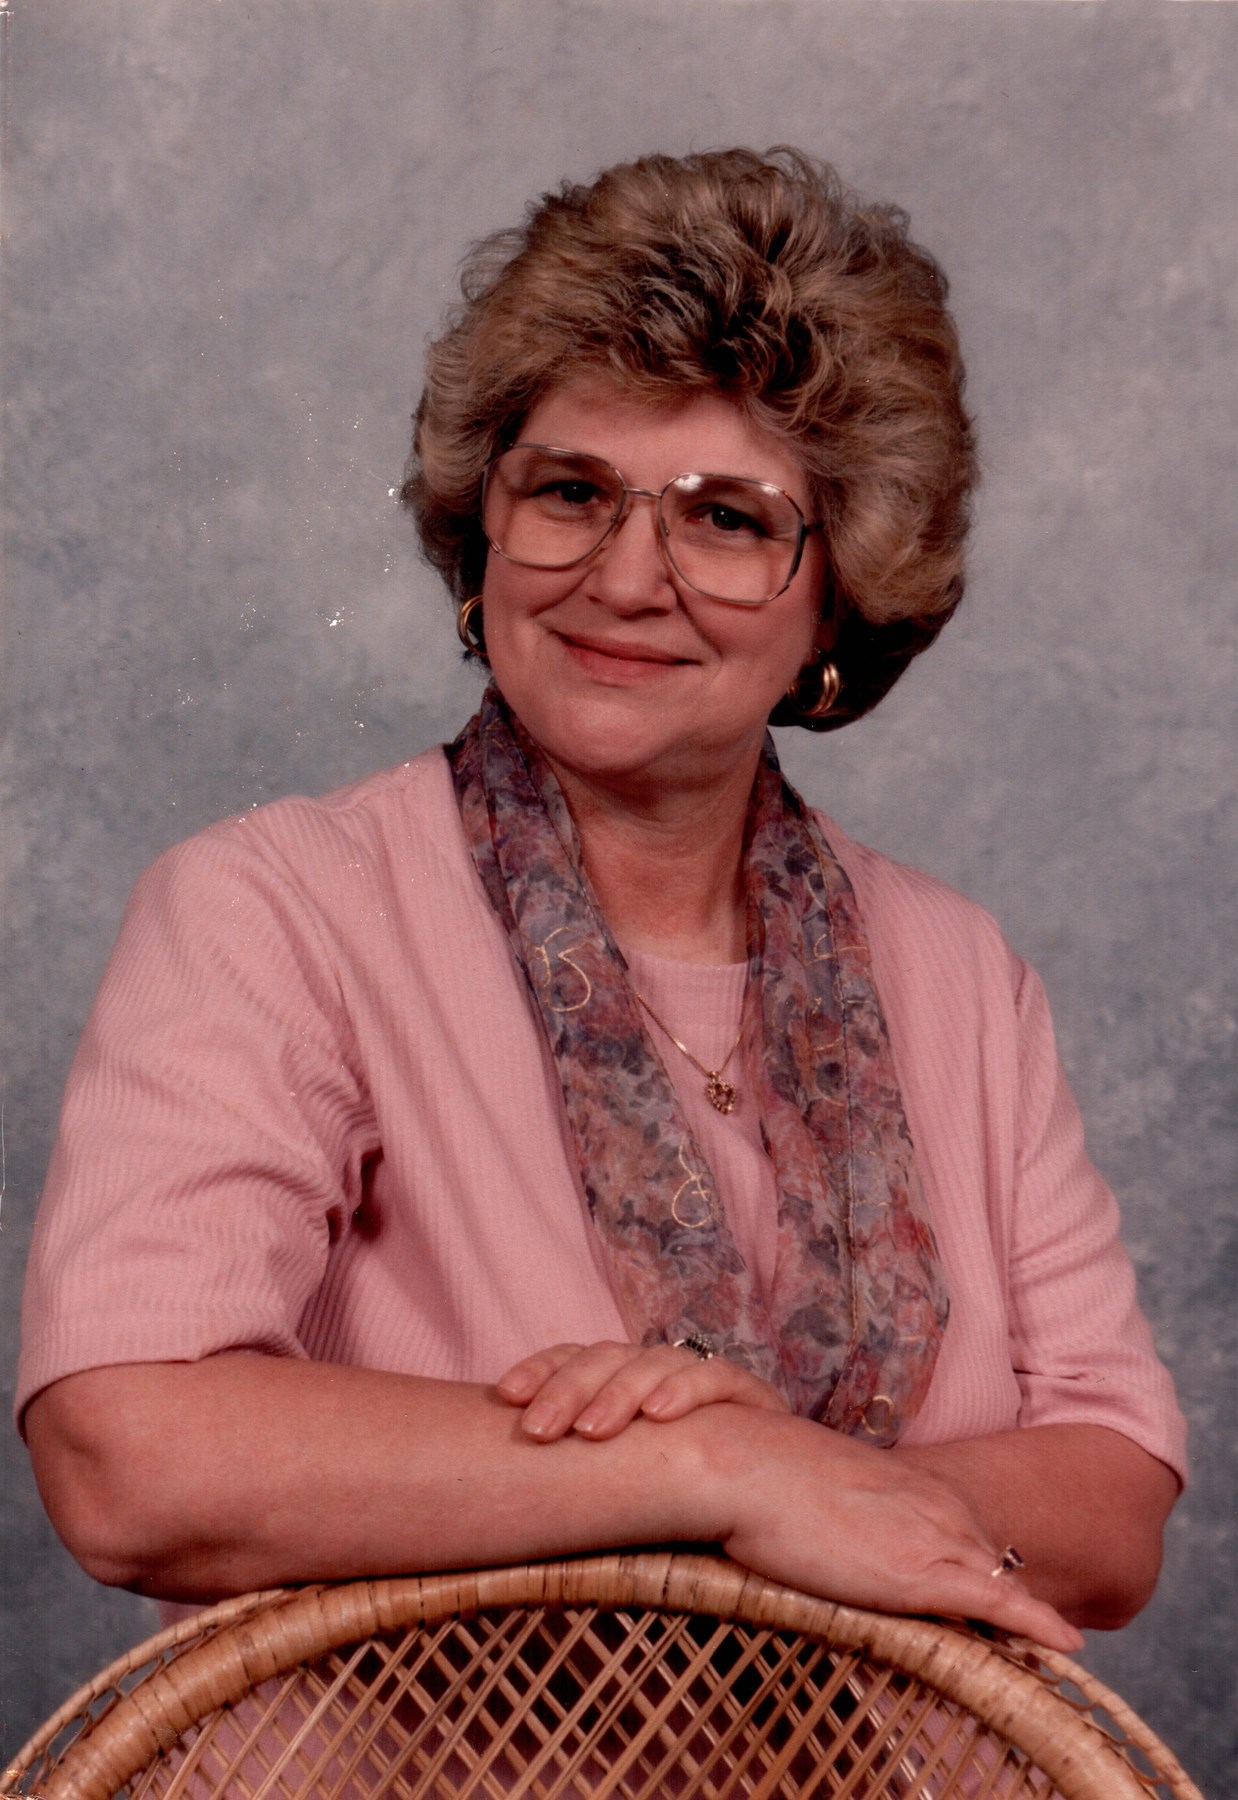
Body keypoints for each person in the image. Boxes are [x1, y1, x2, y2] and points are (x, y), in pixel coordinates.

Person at [19, 148, 1183, 1658]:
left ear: (839, 594)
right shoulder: (273, 910)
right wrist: (716, 1471)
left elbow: (1112, 1504)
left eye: (728, 520)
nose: (627, 580)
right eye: (571, 493)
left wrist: (784, 1485)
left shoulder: (959, 970)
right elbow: (126, 1459)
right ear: (481, 531)